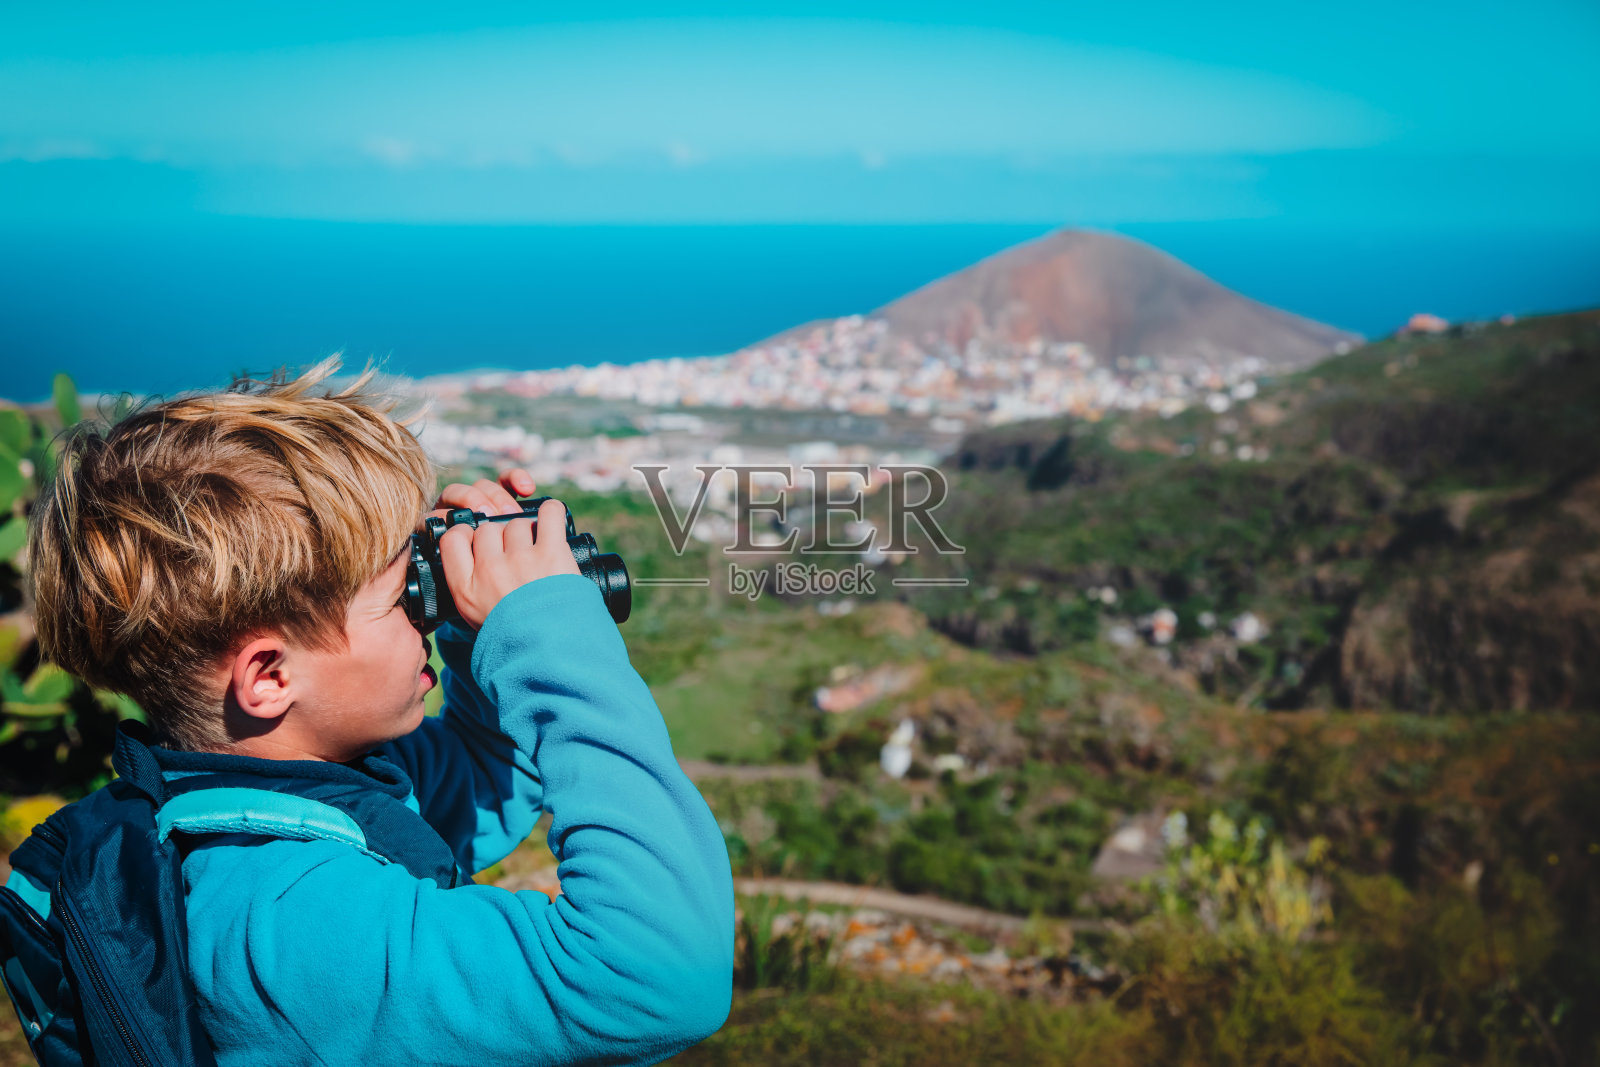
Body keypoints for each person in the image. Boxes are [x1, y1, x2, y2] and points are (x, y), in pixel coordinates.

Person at [25, 358, 734, 1066]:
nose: (422, 615)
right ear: (269, 676)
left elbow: (484, 780)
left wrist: (474, 621)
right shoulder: (294, 923)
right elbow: (662, 971)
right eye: (405, 594)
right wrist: (549, 638)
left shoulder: (272, 780)